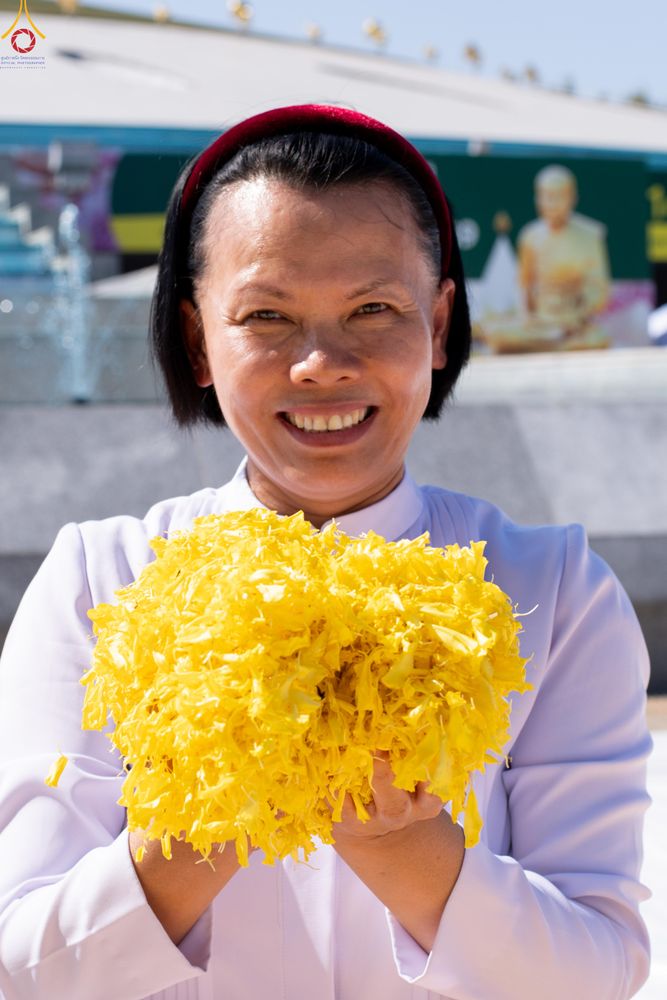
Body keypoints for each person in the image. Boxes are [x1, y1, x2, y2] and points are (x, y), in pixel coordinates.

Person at [0, 105, 651, 999]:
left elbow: (596, 970)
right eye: (266, 315)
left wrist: (406, 846)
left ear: (438, 323)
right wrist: (209, 808)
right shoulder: (100, 580)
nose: (320, 362)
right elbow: (22, 967)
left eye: (373, 308)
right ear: (197, 340)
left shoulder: (553, 590)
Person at [516, 164, 611, 346]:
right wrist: (526, 317)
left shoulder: (591, 234)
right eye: (547, 196)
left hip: (576, 324)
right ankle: (552, 342)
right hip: (541, 324)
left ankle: (560, 343)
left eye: (559, 196)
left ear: (572, 198)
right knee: (499, 335)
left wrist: (578, 315)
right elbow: (523, 285)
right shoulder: (530, 236)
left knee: (599, 338)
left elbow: (598, 289)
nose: (552, 204)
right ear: (538, 199)